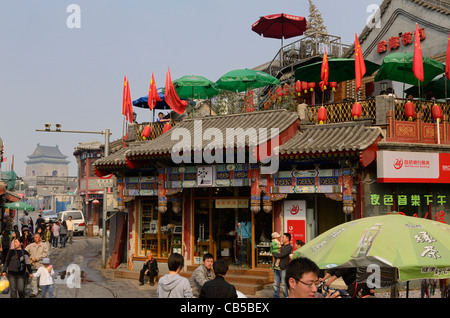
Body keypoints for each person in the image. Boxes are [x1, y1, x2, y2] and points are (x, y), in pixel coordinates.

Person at [25, 233, 49, 297]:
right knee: (34, 278)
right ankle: (34, 292)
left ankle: (41, 288)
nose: (35, 238)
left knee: (41, 278)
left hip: (41, 264)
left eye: (37, 237)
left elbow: (45, 254)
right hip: (33, 265)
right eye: (34, 237)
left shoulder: (44, 245)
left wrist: (37, 258)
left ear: (40, 238)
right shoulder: (31, 245)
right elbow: (25, 251)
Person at [272, 233, 293, 298]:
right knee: (276, 284)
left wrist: (275, 254)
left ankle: (286, 296)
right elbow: (274, 251)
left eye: (283, 237)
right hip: (276, 267)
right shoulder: (281, 245)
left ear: (287, 239)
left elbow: (282, 254)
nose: (282, 239)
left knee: (284, 285)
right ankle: (276, 296)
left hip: (283, 268)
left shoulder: (289, 247)